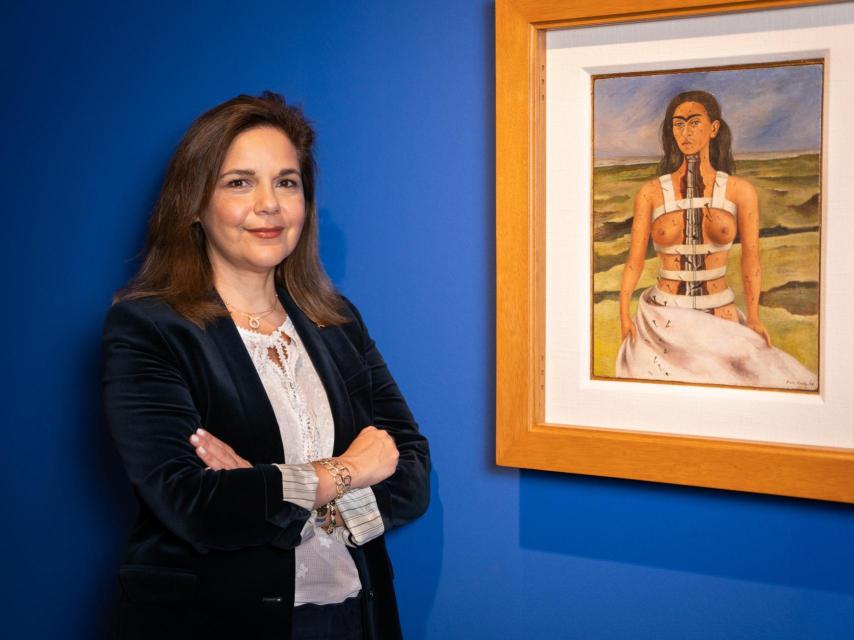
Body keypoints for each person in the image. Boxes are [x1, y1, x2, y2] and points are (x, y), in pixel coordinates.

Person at [102, 91, 430, 639]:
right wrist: (347, 470)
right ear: (194, 202)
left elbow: (410, 469)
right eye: (238, 182)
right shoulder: (149, 328)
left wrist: (269, 490)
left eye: (286, 181)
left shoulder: (336, 319)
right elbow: (195, 505)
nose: (269, 204)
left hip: (354, 614)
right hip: (214, 622)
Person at [616, 90, 816, 390]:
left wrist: (755, 318)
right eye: (678, 124)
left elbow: (751, 260)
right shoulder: (650, 193)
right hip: (661, 320)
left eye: (694, 122)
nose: (685, 132)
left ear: (714, 128)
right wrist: (622, 312)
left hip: (720, 315)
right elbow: (633, 260)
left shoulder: (740, 191)